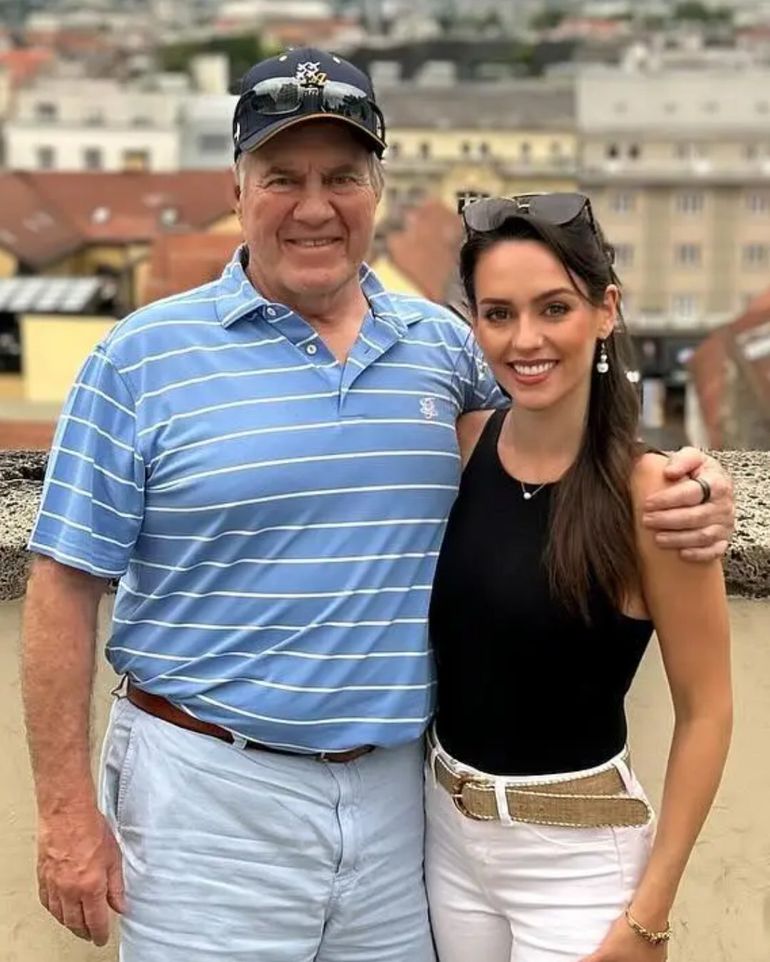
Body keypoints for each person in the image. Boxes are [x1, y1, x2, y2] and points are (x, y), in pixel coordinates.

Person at [21, 50, 733, 961]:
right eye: (284, 177)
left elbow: (558, 430)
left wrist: (690, 484)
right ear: (238, 190)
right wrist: (65, 816)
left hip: (403, 814)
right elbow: (62, 584)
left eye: (343, 177)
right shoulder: (140, 358)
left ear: (378, 191)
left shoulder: (442, 347)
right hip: (208, 803)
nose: (315, 206)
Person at [424, 193, 733, 962]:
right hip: (446, 841)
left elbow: (707, 711)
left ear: (605, 311)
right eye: (498, 314)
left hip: (579, 865)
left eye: (554, 308)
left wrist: (649, 913)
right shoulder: (464, 447)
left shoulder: (654, 496)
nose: (525, 339)